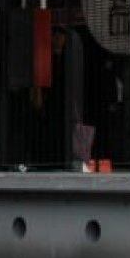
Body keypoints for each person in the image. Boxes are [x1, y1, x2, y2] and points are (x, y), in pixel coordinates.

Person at [53, 25, 91, 167]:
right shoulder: (67, 53)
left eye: (58, 37)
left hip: (71, 102)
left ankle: (78, 158)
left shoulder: (70, 54)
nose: (55, 41)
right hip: (65, 103)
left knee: (76, 126)